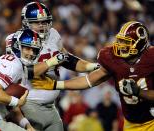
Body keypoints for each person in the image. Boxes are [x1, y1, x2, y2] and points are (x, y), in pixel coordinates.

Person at [32, 21, 154, 131]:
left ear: (139, 44)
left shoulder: (151, 58)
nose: (120, 45)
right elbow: (89, 80)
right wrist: (55, 85)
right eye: (120, 40)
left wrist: (139, 92)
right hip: (132, 123)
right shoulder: (113, 58)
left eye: (126, 42)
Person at [6, 2, 100, 131]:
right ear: (26, 23)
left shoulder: (53, 34)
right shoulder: (15, 39)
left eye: (44, 22)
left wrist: (92, 66)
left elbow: (67, 60)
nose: (41, 26)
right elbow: (23, 71)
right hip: (29, 104)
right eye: (36, 22)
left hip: (51, 105)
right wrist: (51, 62)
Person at [0, 28, 67, 131]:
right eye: (27, 48)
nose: (31, 53)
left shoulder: (20, 69)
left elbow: (13, 108)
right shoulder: (14, 64)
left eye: (34, 49)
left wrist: (27, 125)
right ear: (18, 46)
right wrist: (17, 102)